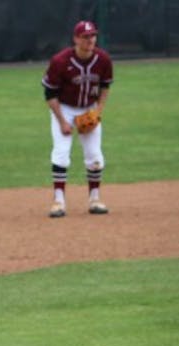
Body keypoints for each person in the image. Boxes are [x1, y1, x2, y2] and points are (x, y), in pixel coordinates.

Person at [43, 19, 114, 217]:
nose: (90, 40)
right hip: (63, 108)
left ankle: (95, 199)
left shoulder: (103, 60)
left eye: (93, 36)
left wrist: (97, 112)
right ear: (76, 39)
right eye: (85, 37)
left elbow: (105, 87)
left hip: (88, 109)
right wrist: (63, 122)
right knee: (61, 153)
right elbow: (50, 95)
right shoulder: (60, 61)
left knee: (95, 157)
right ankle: (58, 202)